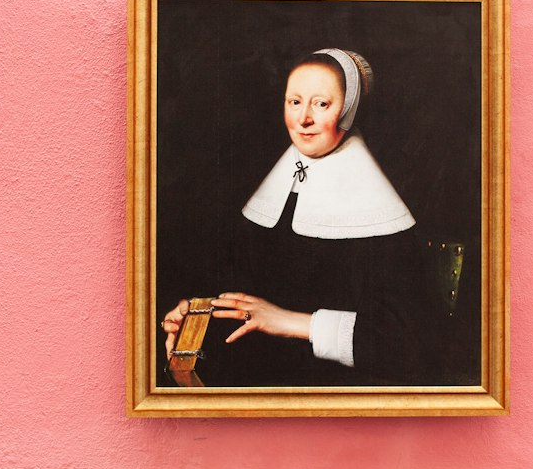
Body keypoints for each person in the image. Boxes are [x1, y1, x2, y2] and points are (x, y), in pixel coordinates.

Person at [162, 48, 442, 387]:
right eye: (294, 102)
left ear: (347, 111)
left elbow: (410, 346)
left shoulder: (383, 215)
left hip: (339, 393)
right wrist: (197, 314)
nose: (303, 118)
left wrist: (291, 322)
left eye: (321, 104)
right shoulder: (274, 196)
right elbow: (244, 297)